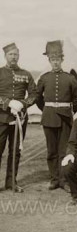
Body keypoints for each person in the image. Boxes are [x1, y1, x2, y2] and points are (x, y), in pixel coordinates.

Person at [36, 40, 77, 191]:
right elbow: (38, 98)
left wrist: (69, 111)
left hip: (65, 119)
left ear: (62, 59)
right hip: (48, 118)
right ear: (49, 60)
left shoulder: (70, 78)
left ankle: (63, 179)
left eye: (57, 59)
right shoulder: (44, 78)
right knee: (51, 151)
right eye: (52, 59)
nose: (55, 62)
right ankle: (54, 179)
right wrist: (48, 110)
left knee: (64, 150)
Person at [0, 43, 37, 192]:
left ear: (19, 56)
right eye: (11, 54)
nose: (13, 57)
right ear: (5, 56)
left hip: (19, 119)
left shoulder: (26, 74)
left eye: (16, 54)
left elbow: (34, 94)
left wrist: (23, 104)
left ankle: (11, 182)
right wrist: (8, 103)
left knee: (15, 151)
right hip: (1, 118)